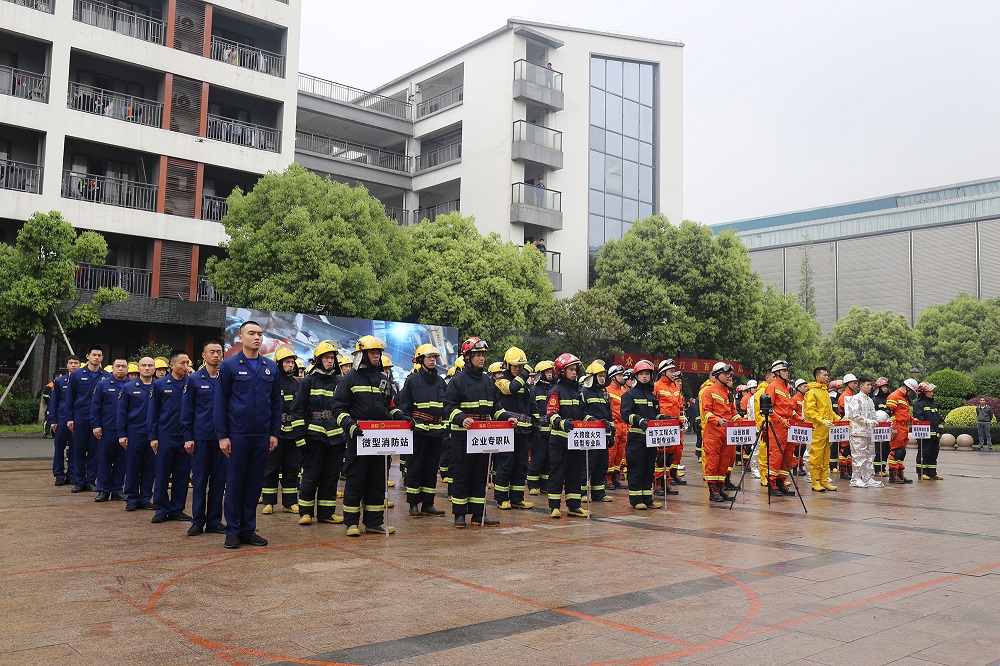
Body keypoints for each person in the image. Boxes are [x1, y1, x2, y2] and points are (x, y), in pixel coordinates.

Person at [215, 321, 282, 548]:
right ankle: (232, 531)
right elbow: (220, 402)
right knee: (235, 484)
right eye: (251, 333)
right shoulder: (229, 366)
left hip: (261, 436)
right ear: (241, 337)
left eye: (260, 334)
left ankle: (248, 529)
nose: (257, 337)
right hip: (237, 435)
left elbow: (276, 403)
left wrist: (274, 433)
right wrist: (222, 435)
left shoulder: (270, 367)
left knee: (254, 485)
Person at [334, 335, 408, 536]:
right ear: (362, 355)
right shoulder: (349, 379)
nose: (377, 356)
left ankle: (374, 522)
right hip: (359, 439)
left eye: (378, 353)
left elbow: (389, 406)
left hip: (380, 441)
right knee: (356, 480)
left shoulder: (383, 379)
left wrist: (401, 417)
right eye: (373, 352)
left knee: (377, 481)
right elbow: (338, 408)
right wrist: (350, 425)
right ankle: (351, 523)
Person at [443, 337, 516, 528]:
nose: (482, 358)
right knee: (462, 475)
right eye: (477, 355)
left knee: (480, 476)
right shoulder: (457, 381)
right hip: (463, 437)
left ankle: (478, 514)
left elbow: (495, 407)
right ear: (467, 357)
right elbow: (448, 406)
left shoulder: (487, 381)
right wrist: (461, 418)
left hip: (482, 437)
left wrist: (506, 418)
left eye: (483, 354)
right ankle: (459, 515)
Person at [292, 340, 346, 526]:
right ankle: (305, 513)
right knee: (311, 476)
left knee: (331, 477)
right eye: (326, 358)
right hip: (313, 437)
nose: (330, 361)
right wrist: (300, 437)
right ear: (318, 360)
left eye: (332, 358)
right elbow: (297, 410)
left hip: (335, 438)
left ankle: (326, 513)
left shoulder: (339, 382)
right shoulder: (308, 381)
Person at [396, 343, 448, 518]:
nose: (433, 360)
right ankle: (413, 504)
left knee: (431, 469)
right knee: (415, 468)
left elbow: (446, 406)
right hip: (418, 432)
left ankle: (428, 503)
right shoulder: (412, 381)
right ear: (420, 360)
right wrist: (409, 424)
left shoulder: (440, 382)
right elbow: (404, 407)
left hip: (436, 433)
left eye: (434, 357)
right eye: (429, 357)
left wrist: (445, 427)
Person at [182, 340, 226, 536]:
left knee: (219, 481)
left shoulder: (227, 377)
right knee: (199, 481)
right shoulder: (194, 379)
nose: (216, 355)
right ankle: (198, 521)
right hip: (201, 437)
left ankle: (214, 521)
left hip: (222, 438)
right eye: (212, 352)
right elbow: (187, 410)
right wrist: (188, 437)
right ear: (203, 355)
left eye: (219, 352)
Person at [148, 350, 192, 524]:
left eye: (188, 363)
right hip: (165, 436)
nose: (186, 366)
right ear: (172, 365)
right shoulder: (160, 384)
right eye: (182, 363)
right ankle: (161, 508)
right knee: (162, 473)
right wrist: (153, 436)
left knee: (182, 474)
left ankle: (177, 509)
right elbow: (153, 412)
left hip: (185, 436)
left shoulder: (192, 383)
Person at [546, 353, 590, 518]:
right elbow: (551, 414)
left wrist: (594, 421)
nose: (574, 372)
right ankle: (554, 507)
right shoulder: (555, 391)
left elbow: (583, 414)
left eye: (575, 369)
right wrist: (561, 422)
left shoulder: (578, 392)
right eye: (570, 369)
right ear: (561, 371)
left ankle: (574, 506)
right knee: (557, 474)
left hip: (575, 441)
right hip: (559, 442)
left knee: (575, 474)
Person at [492, 347, 535, 510]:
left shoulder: (525, 385)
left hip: (523, 431)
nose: (518, 369)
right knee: (506, 464)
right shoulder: (501, 381)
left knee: (521, 466)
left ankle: (517, 498)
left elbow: (531, 404)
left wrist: (536, 423)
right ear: (507, 365)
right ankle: (501, 498)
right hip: (506, 430)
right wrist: (525, 373)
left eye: (521, 366)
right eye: (515, 366)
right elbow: (512, 388)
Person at [260, 345, 300, 515]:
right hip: (275, 433)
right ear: (279, 364)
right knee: (271, 467)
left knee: (291, 468)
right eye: (287, 362)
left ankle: (289, 503)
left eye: (292, 362)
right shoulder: (271, 382)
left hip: (292, 433)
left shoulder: (297, 384)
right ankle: (268, 502)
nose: (290, 365)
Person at [621, 359, 665, 509]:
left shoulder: (652, 396)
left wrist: (666, 419)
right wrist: (639, 420)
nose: (644, 376)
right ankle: (636, 499)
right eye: (641, 374)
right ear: (636, 376)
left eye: (647, 374)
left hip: (651, 439)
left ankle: (647, 498)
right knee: (636, 469)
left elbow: (655, 415)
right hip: (636, 439)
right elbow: (625, 414)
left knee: (649, 469)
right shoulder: (630, 394)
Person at [67, 345, 109, 493]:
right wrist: (69, 418)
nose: (96, 357)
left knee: (94, 451)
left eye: (99, 355)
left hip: (98, 419)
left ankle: (90, 480)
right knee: (78, 449)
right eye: (94, 355)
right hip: (80, 417)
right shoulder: (77, 375)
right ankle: (78, 481)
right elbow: (70, 397)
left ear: (102, 358)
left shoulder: (106, 376)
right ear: (87, 356)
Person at [118, 357, 156, 511]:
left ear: (154, 368)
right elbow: (122, 412)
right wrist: (122, 434)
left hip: (153, 434)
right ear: (138, 368)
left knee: (149, 467)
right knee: (133, 466)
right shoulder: (128, 388)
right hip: (135, 432)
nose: (147, 368)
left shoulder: (159, 386)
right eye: (144, 365)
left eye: (150, 365)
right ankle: (132, 498)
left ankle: (145, 498)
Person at [700, 362, 738, 503]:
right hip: (713, 433)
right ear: (716, 375)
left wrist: (743, 422)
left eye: (729, 374)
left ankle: (721, 487)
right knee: (713, 462)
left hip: (727, 433)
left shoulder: (728, 392)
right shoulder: (708, 391)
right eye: (725, 374)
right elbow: (706, 412)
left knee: (724, 462)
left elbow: (733, 413)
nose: (728, 377)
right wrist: (718, 420)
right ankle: (713, 490)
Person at [91, 358, 128, 502]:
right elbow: (95, 407)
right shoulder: (103, 384)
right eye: (118, 366)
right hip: (107, 429)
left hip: (125, 430)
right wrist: (96, 425)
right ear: (112, 368)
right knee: (104, 460)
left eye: (123, 366)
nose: (120, 369)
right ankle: (103, 490)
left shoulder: (131, 385)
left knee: (121, 461)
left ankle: (117, 490)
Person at [580, 360, 612, 503]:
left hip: (603, 434)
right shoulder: (583, 393)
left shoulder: (604, 393)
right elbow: (581, 413)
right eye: (599, 376)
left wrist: (611, 432)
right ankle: (581, 492)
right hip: (590, 434)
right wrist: (593, 421)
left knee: (601, 464)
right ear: (592, 377)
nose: (602, 378)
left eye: (603, 376)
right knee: (587, 464)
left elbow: (609, 414)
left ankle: (598, 493)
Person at [764, 360, 797, 497]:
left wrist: (798, 418)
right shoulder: (772, 387)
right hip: (777, 426)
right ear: (777, 372)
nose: (787, 373)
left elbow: (789, 408)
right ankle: (771, 483)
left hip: (788, 426)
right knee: (776, 455)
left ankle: (781, 481)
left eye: (787, 370)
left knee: (787, 455)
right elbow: (768, 409)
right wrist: (780, 420)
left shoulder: (787, 387)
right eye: (784, 370)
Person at [804, 367, 838, 492]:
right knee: (816, 456)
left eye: (827, 375)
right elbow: (810, 412)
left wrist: (839, 419)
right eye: (824, 375)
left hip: (826, 430)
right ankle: (815, 481)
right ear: (817, 377)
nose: (827, 377)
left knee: (825, 456)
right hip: (817, 430)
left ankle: (824, 480)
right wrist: (822, 421)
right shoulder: (812, 392)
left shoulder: (825, 392)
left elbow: (829, 411)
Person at [844, 378, 882, 488]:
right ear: (861, 386)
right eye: (868, 385)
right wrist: (867, 421)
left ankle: (867, 477)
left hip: (869, 432)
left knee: (870, 456)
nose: (870, 387)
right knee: (858, 456)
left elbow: (873, 415)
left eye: (871, 385)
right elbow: (854, 415)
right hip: (858, 432)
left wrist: (878, 420)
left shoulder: (870, 400)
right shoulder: (855, 399)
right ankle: (855, 479)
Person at [653, 358, 683, 496]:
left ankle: (666, 482)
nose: (673, 374)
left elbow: (679, 407)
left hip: (674, 426)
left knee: (670, 456)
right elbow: (653, 407)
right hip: (661, 426)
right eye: (671, 371)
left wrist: (681, 422)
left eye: (674, 371)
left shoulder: (676, 387)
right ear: (663, 372)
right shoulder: (656, 386)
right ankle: (657, 484)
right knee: (660, 456)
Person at [48, 357, 79, 486]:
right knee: (59, 447)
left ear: (80, 365)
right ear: (67, 365)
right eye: (71, 363)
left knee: (75, 448)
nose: (73, 365)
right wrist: (53, 420)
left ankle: (72, 474)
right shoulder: (60, 381)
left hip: (76, 420)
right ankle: (59, 474)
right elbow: (54, 401)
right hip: (61, 419)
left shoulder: (82, 381)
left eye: (76, 363)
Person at [527, 360, 554, 495]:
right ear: (540, 374)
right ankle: (532, 485)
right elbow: (532, 409)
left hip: (551, 431)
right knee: (537, 458)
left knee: (548, 460)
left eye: (551, 372)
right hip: (538, 431)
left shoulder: (553, 389)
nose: (550, 375)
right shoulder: (534, 390)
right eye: (547, 372)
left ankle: (545, 485)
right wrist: (536, 424)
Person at [886, 378, 919, 484]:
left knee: (902, 452)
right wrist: (893, 428)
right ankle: (893, 475)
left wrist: (913, 419)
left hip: (904, 427)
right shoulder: (894, 396)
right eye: (911, 392)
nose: (911, 394)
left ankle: (900, 474)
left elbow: (904, 413)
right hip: (898, 427)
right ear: (907, 388)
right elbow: (889, 413)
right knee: (896, 451)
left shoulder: (904, 398)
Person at [605, 364, 629, 490]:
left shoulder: (625, 392)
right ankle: (607, 478)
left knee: (620, 454)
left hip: (624, 425)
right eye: (619, 375)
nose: (622, 377)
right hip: (613, 425)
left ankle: (616, 477)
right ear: (613, 377)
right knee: (611, 453)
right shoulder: (607, 391)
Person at [913, 382, 942, 480]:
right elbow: (919, 419)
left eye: (932, 391)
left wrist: (940, 431)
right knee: (924, 454)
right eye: (930, 392)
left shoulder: (933, 403)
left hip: (935, 435)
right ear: (923, 392)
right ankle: (922, 473)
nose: (932, 393)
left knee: (933, 454)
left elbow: (938, 419)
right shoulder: (918, 404)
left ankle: (932, 473)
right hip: (925, 435)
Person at [836, 374, 859, 479]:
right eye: (854, 383)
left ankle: (849, 468)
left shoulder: (853, 396)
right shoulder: (844, 396)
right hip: (845, 425)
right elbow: (843, 412)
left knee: (850, 449)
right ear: (848, 384)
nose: (856, 385)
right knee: (844, 449)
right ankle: (843, 470)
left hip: (853, 425)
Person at [871, 378, 891, 475]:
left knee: (886, 449)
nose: (885, 388)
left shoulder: (889, 399)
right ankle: (877, 470)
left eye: (886, 386)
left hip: (887, 428)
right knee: (879, 449)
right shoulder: (874, 400)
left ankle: (883, 468)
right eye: (883, 387)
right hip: (878, 429)